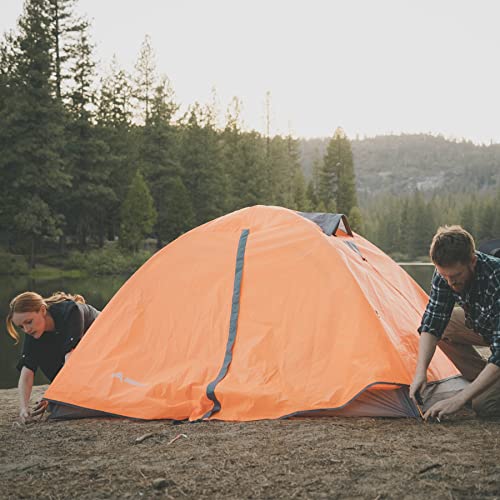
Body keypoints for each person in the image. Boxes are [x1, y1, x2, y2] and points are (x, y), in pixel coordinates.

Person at [409, 226, 500, 420]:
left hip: (496, 335)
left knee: (484, 405)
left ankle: (485, 388)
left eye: (456, 276)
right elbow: (432, 322)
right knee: (446, 324)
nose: (450, 282)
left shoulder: (496, 278)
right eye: (444, 276)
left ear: (472, 262)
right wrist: (420, 372)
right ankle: (484, 381)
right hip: (487, 327)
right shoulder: (446, 274)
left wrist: (459, 399)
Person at [6, 291, 100, 424]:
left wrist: (52, 394)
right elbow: (27, 371)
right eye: (21, 326)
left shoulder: (71, 311)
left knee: (58, 402)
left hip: (108, 344)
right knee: (39, 349)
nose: (26, 329)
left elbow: (71, 359)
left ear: (43, 310)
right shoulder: (34, 331)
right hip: (84, 362)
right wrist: (23, 409)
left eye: (29, 322)